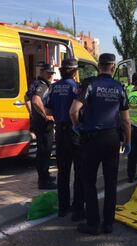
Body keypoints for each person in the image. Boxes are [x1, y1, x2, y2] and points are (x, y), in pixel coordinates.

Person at [70, 53, 131, 235]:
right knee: (111, 182)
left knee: (89, 181)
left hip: (91, 138)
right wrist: (128, 141)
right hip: (112, 138)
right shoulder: (120, 87)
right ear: (113, 68)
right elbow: (126, 120)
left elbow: (73, 111)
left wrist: (77, 127)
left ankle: (93, 223)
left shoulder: (90, 84)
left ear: (99, 66)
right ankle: (108, 224)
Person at [45, 59, 85, 221]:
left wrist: (58, 114)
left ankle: (63, 208)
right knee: (79, 172)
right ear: (75, 71)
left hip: (60, 133)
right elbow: (79, 110)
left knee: (63, 172)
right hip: (75, 133)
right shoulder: (77, 88)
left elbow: (47, 109)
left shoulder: (53, 87)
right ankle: (77, 206)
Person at [27, 64, 57, 190]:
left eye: (52, 73)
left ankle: (45, 175)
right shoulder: (42, 85)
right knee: (45, 151)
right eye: (48, 73)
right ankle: (44, 181)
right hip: (44, 124)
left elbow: (26, 98)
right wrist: (45, 115)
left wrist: (32, 113)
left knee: (42, 151)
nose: (50, 75)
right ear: (42, 72)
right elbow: (35, 100)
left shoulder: (35, 83)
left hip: (37, 122)